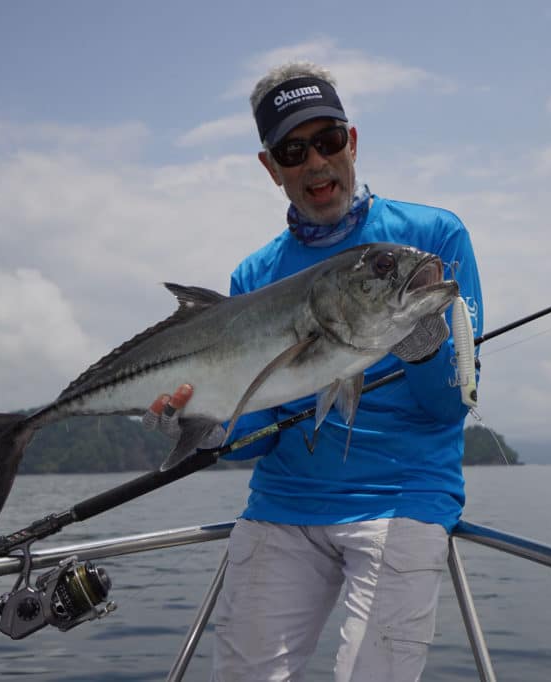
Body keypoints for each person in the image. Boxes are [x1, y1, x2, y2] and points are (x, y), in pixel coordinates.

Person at [144, 62, 484, 681]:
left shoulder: (432, 240)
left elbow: (448, 406)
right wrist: (203, 423)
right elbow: (265, 432)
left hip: (402, 499)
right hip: (283, 503)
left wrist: (415, 333)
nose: (316, 164)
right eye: (293, 151)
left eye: (328, 141)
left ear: (352, 142)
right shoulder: (254, 277)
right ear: (271, 168)